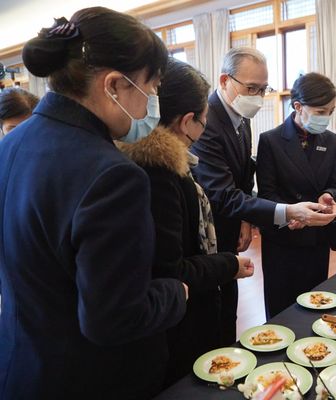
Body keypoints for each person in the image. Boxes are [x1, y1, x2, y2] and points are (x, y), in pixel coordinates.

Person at [0, 9, 188, 399]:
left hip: (21, 364)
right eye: (150, 88)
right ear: (115, 85)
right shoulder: (112, 175)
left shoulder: (11, 145)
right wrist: (176, 292)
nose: (152, 102)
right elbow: (113, 319)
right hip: (87, 377)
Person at [118, 59, 255, 386]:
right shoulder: (159, 176)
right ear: (187, 121)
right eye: (204, 121)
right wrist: (227, 265)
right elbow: (170, 270)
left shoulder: (171, 162)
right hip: (177, 326)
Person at [190, 48, 335, 341]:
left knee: (229, 312)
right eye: (251, 88)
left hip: (237, 231)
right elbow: (223, 193)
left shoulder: (241, 119)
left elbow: (242, 180)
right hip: (212, 236)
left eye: (263, 89)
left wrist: (245, 220)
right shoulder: (208, 121)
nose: (257, 96)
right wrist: (289, 212)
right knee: (214, 320)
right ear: (225, 80)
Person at [256, 72, 336, 318]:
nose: (325, 118)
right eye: (320, 111)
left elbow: (335, 184)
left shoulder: (330, 140)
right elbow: (267, 193)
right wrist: (291, 213)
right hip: (283, 239)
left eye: (330, 111)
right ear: (298, 106)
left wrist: (327, 194)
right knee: (282, 310)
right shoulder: (271, 140)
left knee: (315, 305)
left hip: (316, 238)